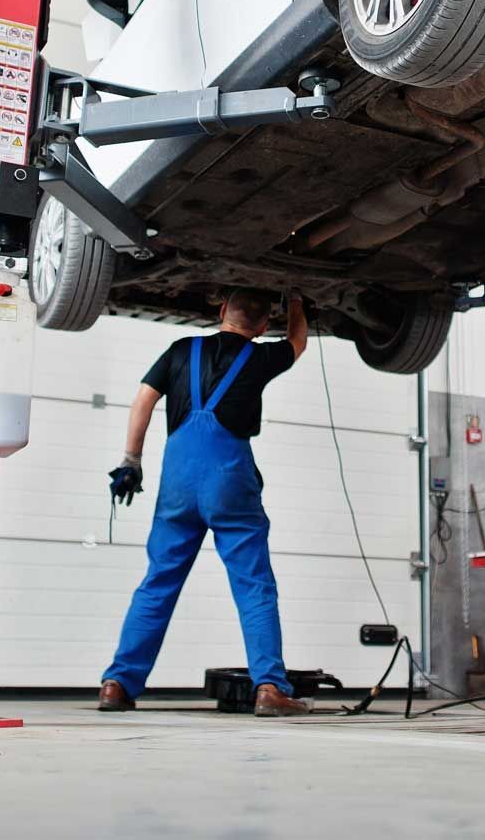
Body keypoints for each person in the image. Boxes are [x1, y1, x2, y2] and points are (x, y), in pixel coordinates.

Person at [98, 287, 310, 717]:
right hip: (229, 480)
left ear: (220, 312)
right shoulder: (263, 357)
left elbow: (143, 398)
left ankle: (118, 684)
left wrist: (131, 461)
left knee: (158, 582)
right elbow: (298, 343)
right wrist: (299, 305)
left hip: (178, 480)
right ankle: (269, 687)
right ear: (262, 326)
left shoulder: (181, 350)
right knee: (253, 584)